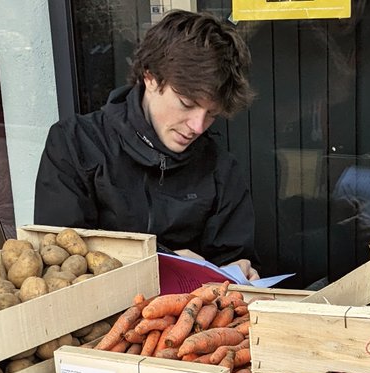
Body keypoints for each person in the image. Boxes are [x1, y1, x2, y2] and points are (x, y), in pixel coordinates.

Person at [35, 10, 259, 278]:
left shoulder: (219, 166)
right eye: (187, 104)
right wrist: (163, 260)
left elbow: (232, 256)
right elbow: (57, 259)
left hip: (192, 316)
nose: (198, 126)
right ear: (150, 77)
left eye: (212, 113)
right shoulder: (73, 144)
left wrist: (242, 270)